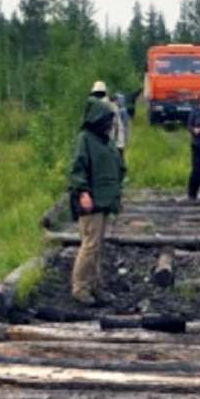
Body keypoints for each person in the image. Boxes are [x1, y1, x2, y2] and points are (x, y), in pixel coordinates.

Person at [67, 96, 126, 306]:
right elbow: (77, 168)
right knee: (90, 245)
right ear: (97, 120)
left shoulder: (105, 141)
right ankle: (80, 287)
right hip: (90, 201)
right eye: (107, 120)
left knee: (98, 246)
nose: (110, 125)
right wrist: (83, 192)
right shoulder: (85, 139)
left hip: (104, 200)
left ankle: (95, 285)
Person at [88, 80, 128, 152]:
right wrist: (120, 145)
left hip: (104, 145)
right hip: (106, 145)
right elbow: (120, 127)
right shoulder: (112, 106)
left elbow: (119, 126)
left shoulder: (93, 106)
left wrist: (120, 145)